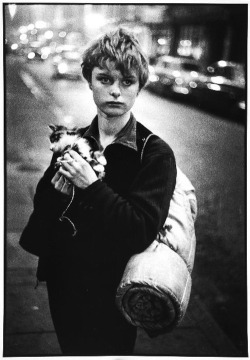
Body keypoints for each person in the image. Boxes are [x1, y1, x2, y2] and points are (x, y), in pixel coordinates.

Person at [19, 27, 177, 356]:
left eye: (127, 82)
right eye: (105, 79)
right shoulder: (73, 140)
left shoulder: (155, 154)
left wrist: (91, 187)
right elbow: (45, 210)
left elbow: (140, 230)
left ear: (139, 87)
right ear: (89, 81)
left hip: (115, 291)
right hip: (64, 284)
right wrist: (56, 193)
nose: (116, 92)